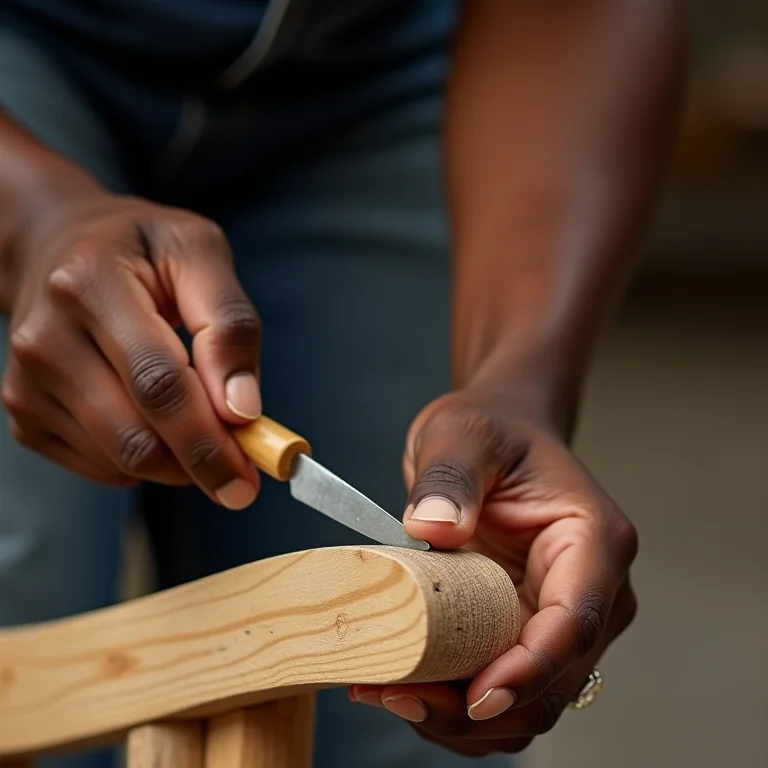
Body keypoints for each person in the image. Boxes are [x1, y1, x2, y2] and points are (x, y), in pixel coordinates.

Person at [0, 1, 685, 765]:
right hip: (24, 53)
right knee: (32, 660)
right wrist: (29, 216)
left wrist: (519, 381)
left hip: (371, 71)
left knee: (392, 690)